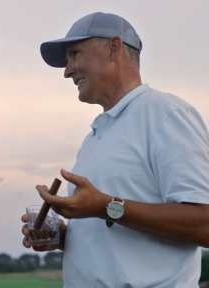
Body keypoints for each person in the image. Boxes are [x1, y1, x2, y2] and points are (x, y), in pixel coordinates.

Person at [21, 12, 209, 287]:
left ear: (114, 48)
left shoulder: (167, 114)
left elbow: (205, 223)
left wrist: (106, 207)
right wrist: (66, 237)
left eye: (75, 54)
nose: (67, 70)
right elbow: (111, 224)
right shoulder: (96, 134)